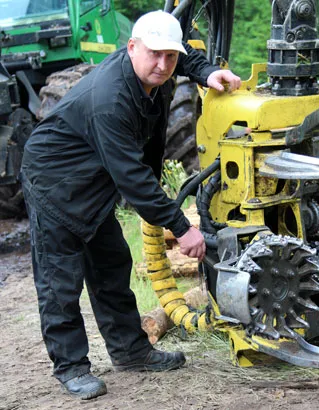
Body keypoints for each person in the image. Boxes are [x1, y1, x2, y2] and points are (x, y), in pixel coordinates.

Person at [20, 10, 242, 400]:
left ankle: (131, 351)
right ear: (132, 47)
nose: (163, 64)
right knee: (61, 279)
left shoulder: (161, 67)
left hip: (93, 178)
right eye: (154, 54)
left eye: (169, 57)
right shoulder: (111, 98)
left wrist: (205, 71)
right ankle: (71, 367)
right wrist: (181, 227)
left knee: (111, 262)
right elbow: (132, 177)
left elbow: (184, 53)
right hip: (55, 180)